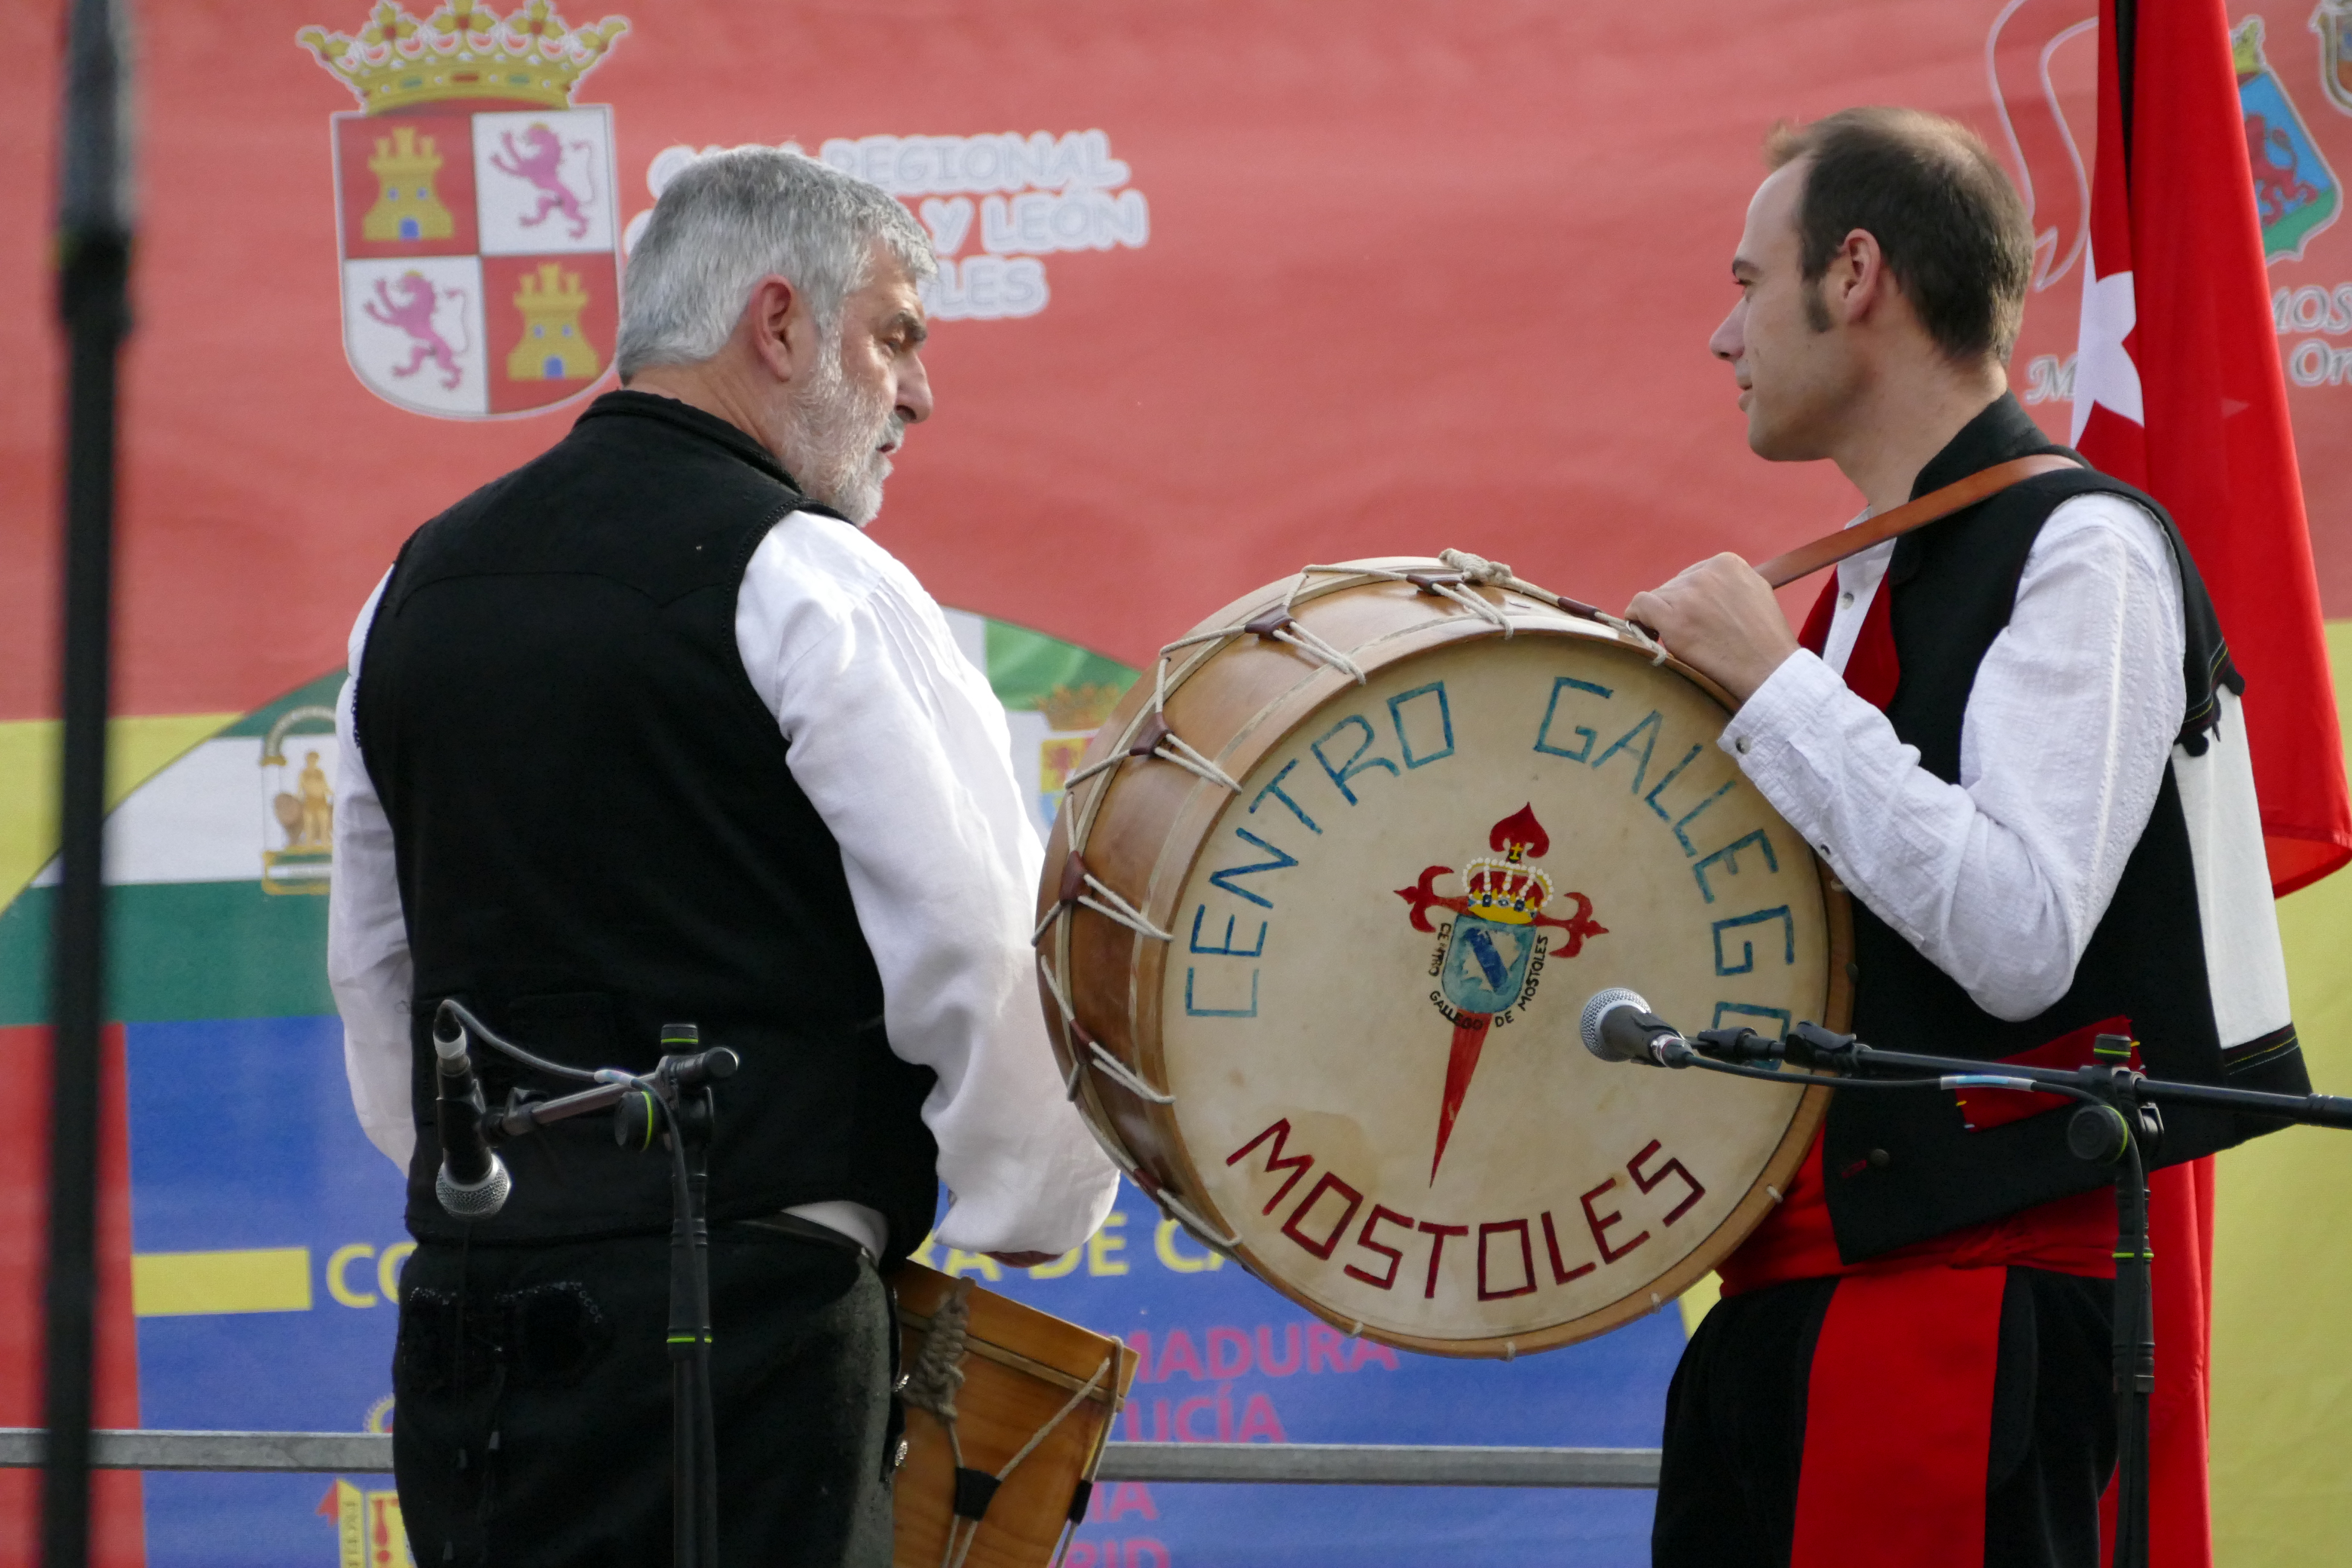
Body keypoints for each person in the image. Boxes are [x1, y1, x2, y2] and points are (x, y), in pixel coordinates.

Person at [326, 148, 1120, 1567]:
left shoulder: (414, 585)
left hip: (469, 1320)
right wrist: (1035, 1203)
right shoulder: (809, 576)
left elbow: (379, 966)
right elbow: (977, 935)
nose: (918, 394)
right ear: (779, 324)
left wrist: (520, 1193)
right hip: (742, 1341)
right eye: (895, 336)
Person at [1627, 108, 2310, 1568]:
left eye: (1749, 283)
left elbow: (2020, 936)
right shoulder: (1862, 584)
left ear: (1855, 273)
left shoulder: (2085, 549)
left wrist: (1776, 690)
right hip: (1791, 1308)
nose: (1724, 334)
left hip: (1958, 1329)